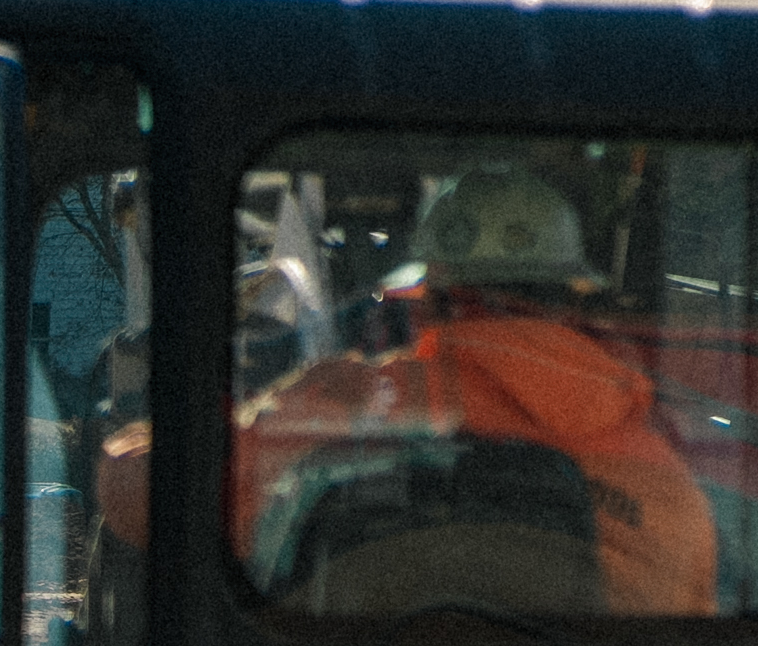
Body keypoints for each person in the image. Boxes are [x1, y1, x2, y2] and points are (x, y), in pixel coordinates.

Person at [238, 163, 721, 614]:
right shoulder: (669, 487)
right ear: (569, 293)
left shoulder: (357, 407)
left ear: (433, 290)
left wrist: (283, 406)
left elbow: (187, 507)